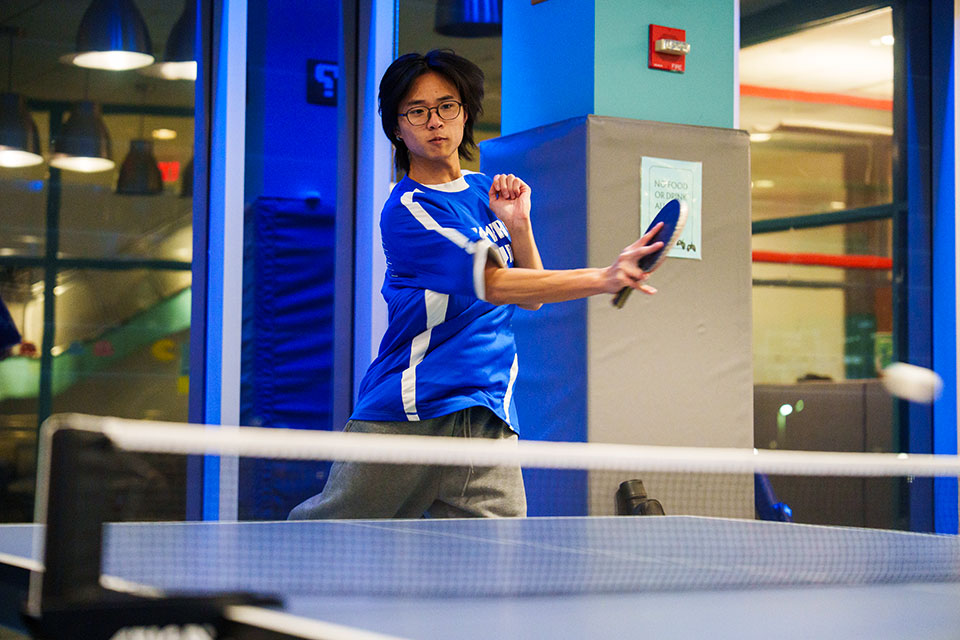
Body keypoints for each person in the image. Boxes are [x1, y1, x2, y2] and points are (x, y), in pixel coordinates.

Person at [288, 49, 663, 520]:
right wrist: (605, 277)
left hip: (488, 413)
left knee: (496, 555)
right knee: (325, 535)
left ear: (464, 114)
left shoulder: (486, 191)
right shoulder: (409, 210)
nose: (434, 121)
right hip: (413, 412)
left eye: (447, 106)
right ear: (397, 128)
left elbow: (531, 300)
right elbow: (494, 284)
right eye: (417, 111)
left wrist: (519, 225)